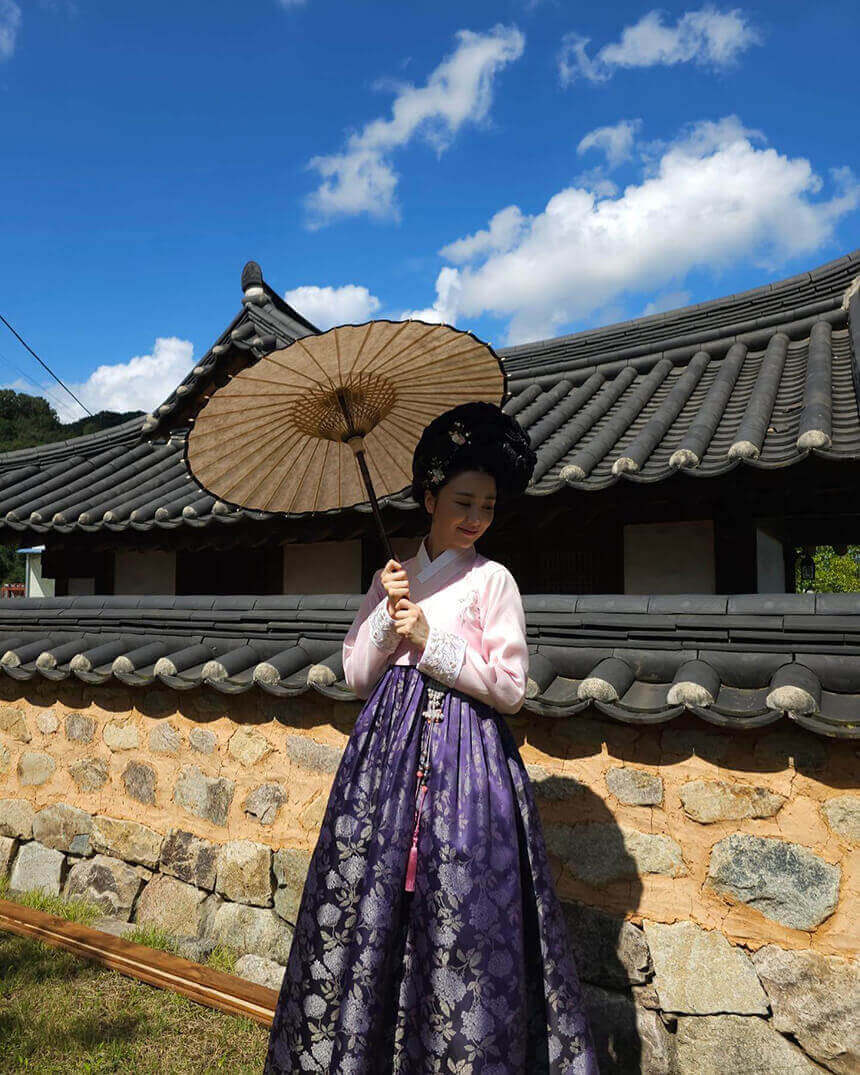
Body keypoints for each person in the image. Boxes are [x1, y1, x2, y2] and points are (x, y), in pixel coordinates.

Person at [264, 402, 597, 1074]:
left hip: (467, 768)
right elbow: (358, 675)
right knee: (383, 904)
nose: (474, 517)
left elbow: (510, 687)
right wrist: (389, 618)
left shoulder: (492, 580)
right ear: (427, 497)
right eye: (461, 501)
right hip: (385, 767)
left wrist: (432, 641)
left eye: (487, 505)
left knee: (459, 914)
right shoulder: (394, 577)